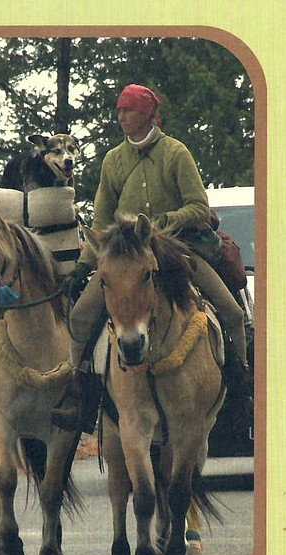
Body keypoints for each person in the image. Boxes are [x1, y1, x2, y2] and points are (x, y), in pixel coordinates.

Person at [51, 84, 251, 432]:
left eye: (127, 111)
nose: (121, 118)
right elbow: (101, 222)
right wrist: (83, 267)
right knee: (81, 316)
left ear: (146, 114)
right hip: (126, 258)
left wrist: (163, 222)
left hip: (178, 250)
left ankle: (242, 392)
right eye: (119, 111)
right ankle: (80, 395)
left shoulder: (176, 153)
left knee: (232, 312)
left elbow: (198, 206)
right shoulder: (113, 160)